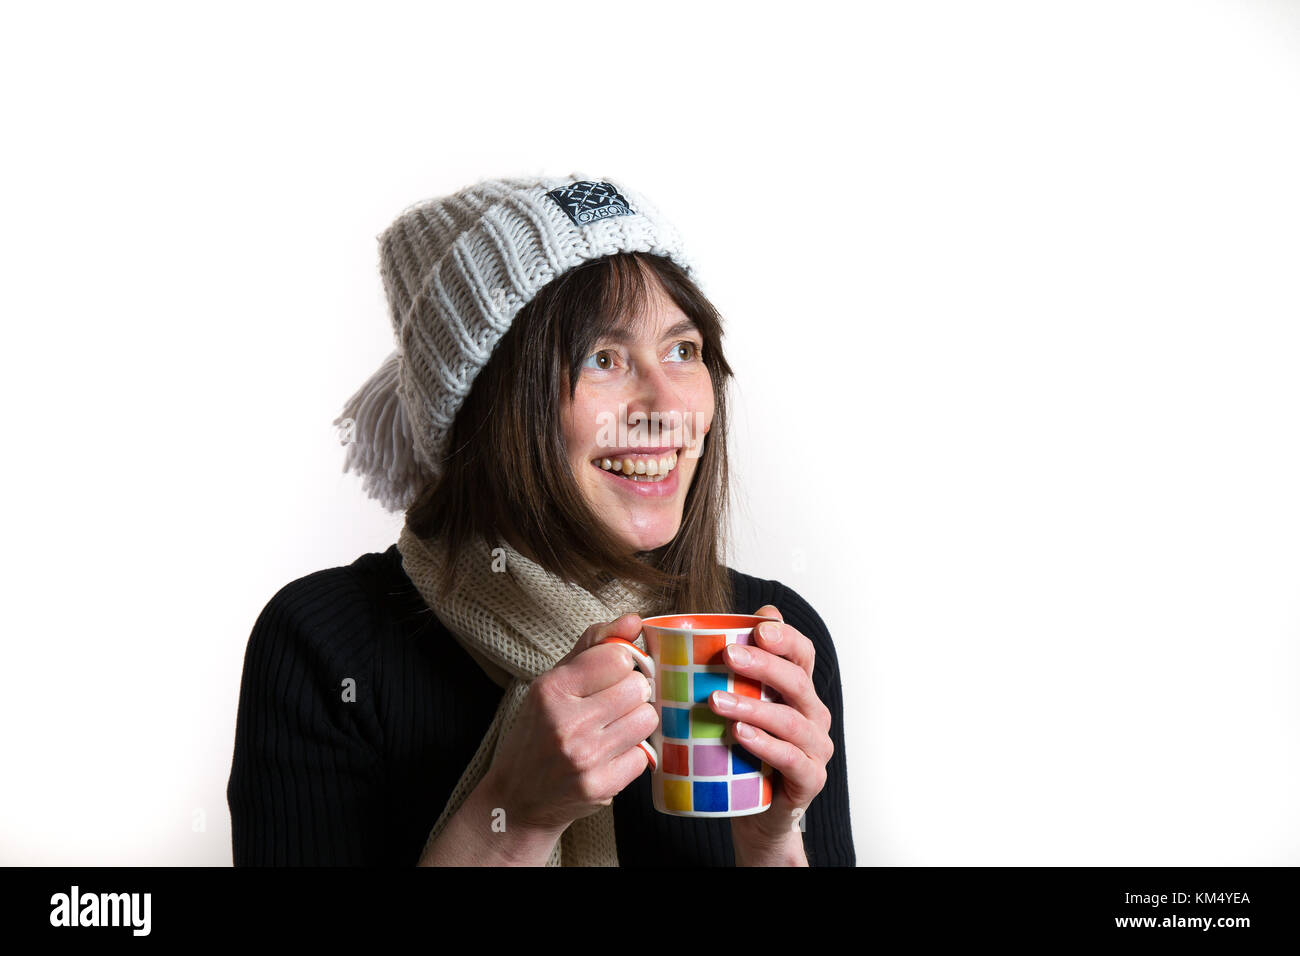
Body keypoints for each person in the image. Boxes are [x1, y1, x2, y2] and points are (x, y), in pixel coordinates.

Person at [226, 174, 855, 866]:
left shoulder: (767, 640)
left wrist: (774, 842)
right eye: (602, 358)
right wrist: (515, 817)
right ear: (491, 405)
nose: (668, 406)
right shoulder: (325, 648)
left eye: (683, 349)